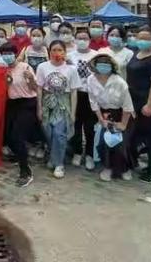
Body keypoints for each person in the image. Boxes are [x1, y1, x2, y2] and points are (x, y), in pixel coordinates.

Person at [127, 26, 151, 183]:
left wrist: (149, 105)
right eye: (140, 37)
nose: (142, 41)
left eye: (146, 38)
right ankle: (135, 160)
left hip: (146, 103)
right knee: (135, 134)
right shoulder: (137, 54)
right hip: (133, 101)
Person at [36, 40, 80, 179]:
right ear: (49, 52)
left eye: (60, 50)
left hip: (63, 104)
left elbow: (73, 92)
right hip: (47, 103)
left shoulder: (71, 69)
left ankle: (59, 164)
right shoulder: (42, 67)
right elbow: (39, 89)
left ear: (65, 53)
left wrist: (72, 112)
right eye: (54, 50)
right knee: (48, 132)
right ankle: (53, 156)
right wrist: (39, 108)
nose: (57, 53)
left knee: (59, 134)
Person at [87, 53, 134, 181]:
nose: (103, 68)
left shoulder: (119, 82)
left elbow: (127, 106)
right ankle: (107, 167)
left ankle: (124, 168)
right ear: (94, 66)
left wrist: (123, 124)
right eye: (100, 65)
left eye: (106, 65)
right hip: (104, 114)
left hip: (122, 115)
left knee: (121, 143)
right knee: (106, 142)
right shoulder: (91, 80)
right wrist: (100, 119)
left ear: (111, 66)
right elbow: (93, 102)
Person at [1, 42, 38, 187]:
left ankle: (26, 171)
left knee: (18, 135)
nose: (7, 56)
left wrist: (30, 79)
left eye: (9, 53)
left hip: (27, 104)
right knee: (9, 134)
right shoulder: (3, 70)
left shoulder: (25, 67)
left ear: (15, 54)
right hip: (11, 104)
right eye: (4, 54)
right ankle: (19, 156)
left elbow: (35, 88)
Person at [67, 29, 98, 170]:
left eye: (85, 38)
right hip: (75, 94)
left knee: (90, 128)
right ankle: (77, 152)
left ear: (90, 40)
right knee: (76, 126)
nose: (82, 40)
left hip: (91, 95)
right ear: (74, 39)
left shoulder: (96, 55)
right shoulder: (69, 56)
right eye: (79, 38)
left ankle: (90, 155)